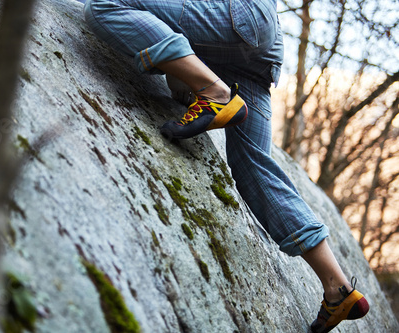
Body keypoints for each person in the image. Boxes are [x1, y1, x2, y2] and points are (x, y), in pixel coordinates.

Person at [83, 1, 369, 332]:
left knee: (105, 6)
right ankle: (339, 288)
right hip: (255, 45)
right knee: (255, 172)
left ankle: (212, 91)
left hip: (235, 17)